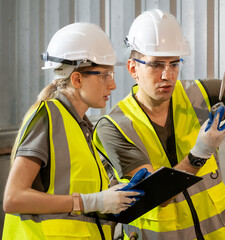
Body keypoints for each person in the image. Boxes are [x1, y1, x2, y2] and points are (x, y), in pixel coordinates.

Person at [93, 9, 225, 240]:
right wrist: (200, 153)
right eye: (156, 65)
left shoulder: (199, 94)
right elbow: (158, 196)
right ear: (133, 68)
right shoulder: (113, 127)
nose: (167, 75)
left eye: (174, 64)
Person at [2, 22, 143, 240]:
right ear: (77, 79)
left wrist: (121, 191)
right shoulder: (48, 117)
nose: (112, 85)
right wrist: (90, 201)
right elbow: (13, 198)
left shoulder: (81, 127)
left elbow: (78, 189)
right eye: (105, 75)